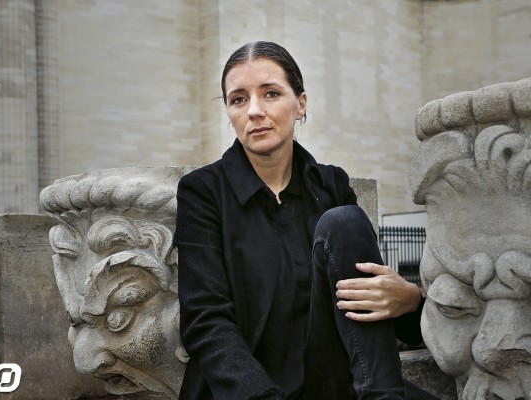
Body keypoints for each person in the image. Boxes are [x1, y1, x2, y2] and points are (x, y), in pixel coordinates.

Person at [174, 41, 430, 399]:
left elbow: (370, 304)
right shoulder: (203, 192)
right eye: (239, 99)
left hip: (336, 384)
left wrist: (411, 300)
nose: (254, 111)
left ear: (301, 104)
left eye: (271, 93)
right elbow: (206, 321)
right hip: (252, 389)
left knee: (344, 221)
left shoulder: (332, 186)